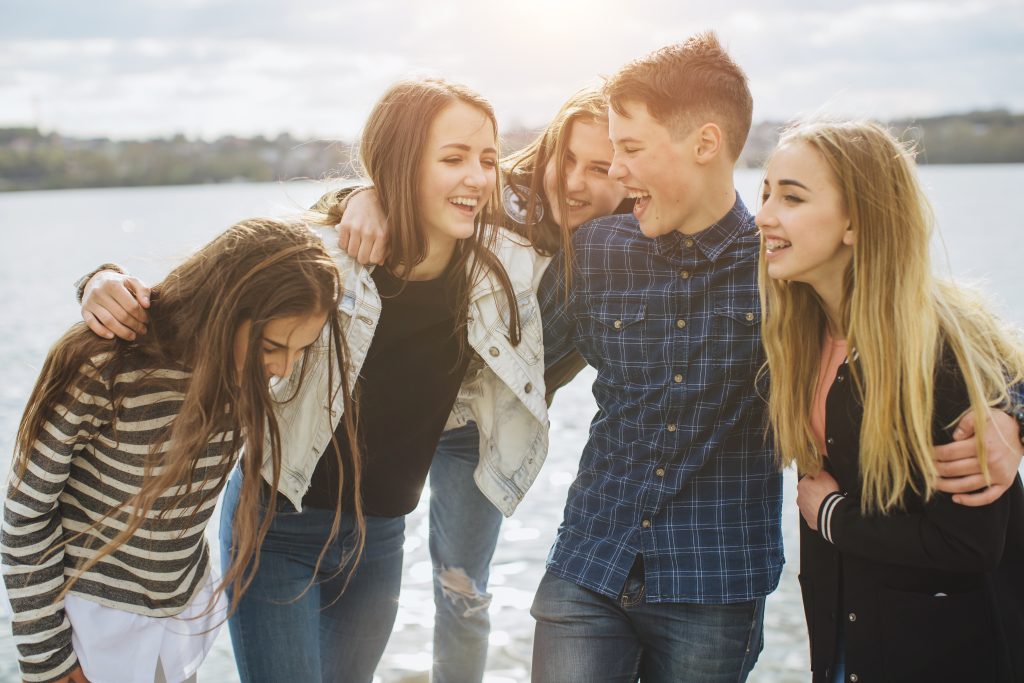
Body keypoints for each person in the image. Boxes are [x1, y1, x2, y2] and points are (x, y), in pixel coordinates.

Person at [534, 33, 1024, 683]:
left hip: (719, 583)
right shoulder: (599, 251)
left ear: (706, 144)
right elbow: (509, 355)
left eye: (629, 148)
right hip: (590, 563)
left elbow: (937, 322)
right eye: (770, 193)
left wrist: (1010, 410)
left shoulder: (786, 274)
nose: (615, 170)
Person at [78, 78, 546, 683]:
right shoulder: (320, 255)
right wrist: (98, 280)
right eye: (453, 158)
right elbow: (182, 303)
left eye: (487, 159)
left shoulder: (500, 267)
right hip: (278, 531)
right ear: (400, 163)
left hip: (380, 540)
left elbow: (576, 208)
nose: (479, 178)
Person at [332, 85, 628, 681]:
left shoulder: (628, 248)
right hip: (404, 411)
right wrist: (361, 195)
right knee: (352, 562)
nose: (574, 183)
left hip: (479, 431)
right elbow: (410, 187)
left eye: (599, 169)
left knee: (461, 589)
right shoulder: (494, 196)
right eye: (565, 159)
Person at [2, 218, 350, 683]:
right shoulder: (105, 363)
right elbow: (25, 516)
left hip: (177, 623)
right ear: (226, 307)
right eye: (272, 346)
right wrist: (48, 660)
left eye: (299, 351)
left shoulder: (237, 375)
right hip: (87, 629)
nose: (283, 369)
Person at [758, 120, 1024, 682]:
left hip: (941, 655)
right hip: (843, 643)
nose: (763, 216)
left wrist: (833, 518)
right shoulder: (799, 336)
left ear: (855, 220)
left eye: (791, 197)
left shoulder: (941, 352)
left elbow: (970, 544)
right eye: (765, 193)